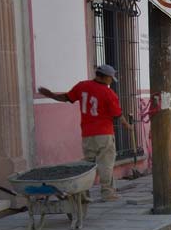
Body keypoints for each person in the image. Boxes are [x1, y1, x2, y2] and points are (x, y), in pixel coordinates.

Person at [38, 64, 131, 201]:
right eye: (111, 78)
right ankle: (108, 193)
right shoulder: (108, 93)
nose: (111, 81)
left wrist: (52, 95)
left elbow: (66, 97)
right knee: (106, 163)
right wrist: (127, 125)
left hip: (87, 134)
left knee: (88, 165)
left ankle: (82, 193)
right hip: (104, 133)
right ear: (105, 77)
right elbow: (117, 114)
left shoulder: (82, 86)